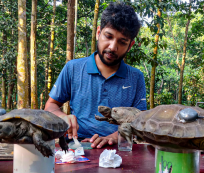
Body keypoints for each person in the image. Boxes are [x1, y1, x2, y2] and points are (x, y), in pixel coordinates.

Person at [45, 2, 147, 149]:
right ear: (98, 33)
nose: (112, 47)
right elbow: (51, 105)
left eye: (122, 42)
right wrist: (63, 117)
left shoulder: (136, 77)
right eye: (108, 36)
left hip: (120, 148)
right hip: (78, 147)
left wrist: (115, 136)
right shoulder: (73, 68)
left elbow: (142, 121)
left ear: (130, 46)